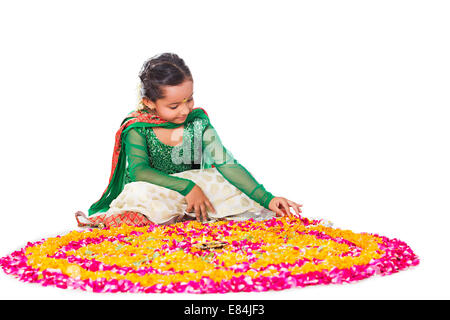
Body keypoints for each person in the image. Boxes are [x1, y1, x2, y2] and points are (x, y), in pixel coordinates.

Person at [88, 53, 302, 224]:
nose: (185, 110)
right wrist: (188, 187)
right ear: (150, 102)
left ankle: (183, 215)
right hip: (156, 189)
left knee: (225, 180)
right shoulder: (138, 127)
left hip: (195, 188)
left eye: (189, 99)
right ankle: (178, 215)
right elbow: (139, 171)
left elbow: (226, 164)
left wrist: (268, 198)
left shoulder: (197, 122)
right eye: (174, 106)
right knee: (137, 190)